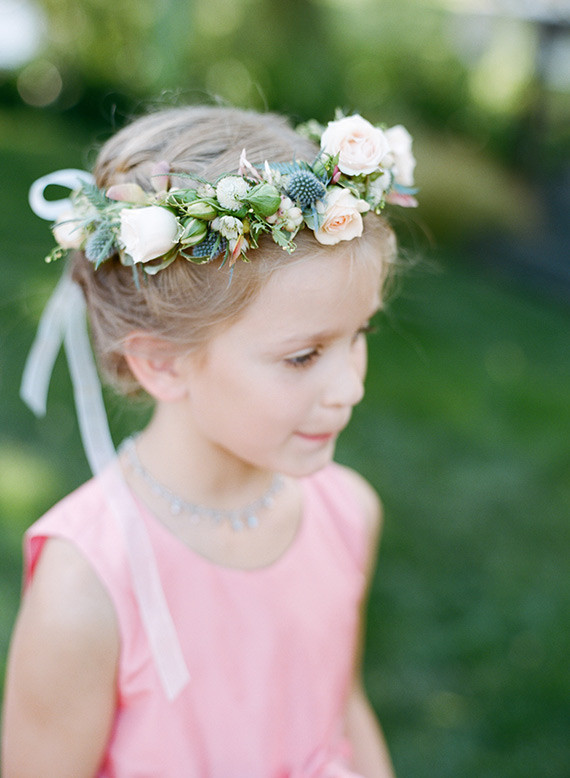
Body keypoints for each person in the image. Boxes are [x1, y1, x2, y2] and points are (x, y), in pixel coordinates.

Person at [2, 104, 417, 777]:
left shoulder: (346, 513)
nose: (350, 387)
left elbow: (342, 707)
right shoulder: (85, 590)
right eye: (304, 355)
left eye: (360, 335)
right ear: (162, 362)